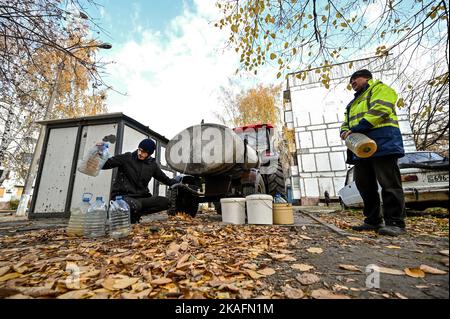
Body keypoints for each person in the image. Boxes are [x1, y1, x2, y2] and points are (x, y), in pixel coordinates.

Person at [340, 69, 407, 236]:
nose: (353, 83)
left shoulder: (381, 89)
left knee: (389, 184)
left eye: (355, 79)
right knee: (365, 186)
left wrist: (356, 129)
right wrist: (344, 131)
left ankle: (395, 222)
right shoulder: (352, 104)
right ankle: (372, 220)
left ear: (367, 78)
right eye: (351, 81)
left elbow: (381, 109)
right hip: (361, 149)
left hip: (383, 143)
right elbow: (345, 123)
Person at [101, 138, 177, 224]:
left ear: (149, 153)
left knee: (165, 202)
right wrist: (99, 153)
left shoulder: (152, 165)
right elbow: (105, 164)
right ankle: (126, 217)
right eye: (139, 150)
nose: (140, 153)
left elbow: (165, 179)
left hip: (141, 198)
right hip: (122, 197)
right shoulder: (127, 157)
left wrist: (180, 182)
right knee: (135, 205)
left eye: (144, 152)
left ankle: (135, 214)